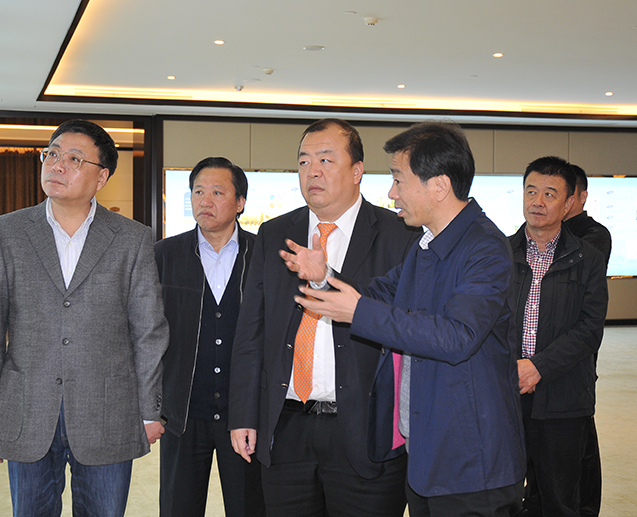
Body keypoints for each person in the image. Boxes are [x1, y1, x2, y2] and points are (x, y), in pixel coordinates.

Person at [291, 121, 526, 516]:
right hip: (427, 456)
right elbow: (379, 293)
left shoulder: (484, 248)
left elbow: (457, 337)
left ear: (439, 185)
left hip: (472, 463)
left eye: (399, 180)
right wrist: (325, 277)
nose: (391, 193)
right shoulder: (426, 244)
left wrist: (358, 311)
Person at [0, 119, 169, 517]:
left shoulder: (132, 238)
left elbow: (149, 332)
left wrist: (149, 410)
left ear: (101, 176)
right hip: (27, 407)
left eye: (74, 159)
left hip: (108, 411)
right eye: (52, 154)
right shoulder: (6, 232)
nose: (57, 165)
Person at [229, 118, 419, 517]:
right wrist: (243, 414)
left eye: (326, 160)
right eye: (304, 161)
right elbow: (251, 332)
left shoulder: (398, 235)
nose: (312, 171)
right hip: (286, 426)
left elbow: (402, 323)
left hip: (365, 428)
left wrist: (326, 278)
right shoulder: (275, 234)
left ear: (357, 170)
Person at [154, 157, 265, 516]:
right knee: (178, 507)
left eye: (217, 192)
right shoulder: (164, 255)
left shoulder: (262, 255)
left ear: (240, 202)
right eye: (198, 192)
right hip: (183, 413)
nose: (205, 201)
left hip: (245, 413)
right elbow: (148, 333)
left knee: (250, 507)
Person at [509, 156, 608, 517]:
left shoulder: (588, 258)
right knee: (503, 496)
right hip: (505, 394)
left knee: (559, 500)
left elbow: (589, 329)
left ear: (568, 204)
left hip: (564, 397)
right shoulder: (499, 253)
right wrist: (511, 367)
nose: (537, 202)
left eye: (549, 194)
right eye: (531, 191)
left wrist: (538, 367)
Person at [564, 163, 611, 517]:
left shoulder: (594, 235)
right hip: (532, 360)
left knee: (579, 440)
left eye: (556, 194)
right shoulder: (529, 236)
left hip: (575, 356)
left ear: (580, 196)